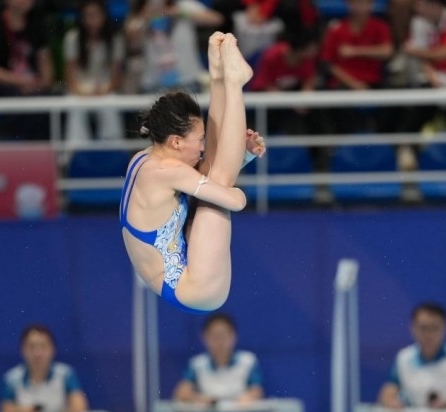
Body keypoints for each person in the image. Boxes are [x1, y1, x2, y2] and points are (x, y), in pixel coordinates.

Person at [120, 33, 265, 313]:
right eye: (199, 140)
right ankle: (233, 84)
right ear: (175, 142)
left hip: (186, 274)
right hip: (194, 289)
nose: (202, 146)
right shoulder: (167, 170)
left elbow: (204, 174)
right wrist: (234, 189)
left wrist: (241, 156)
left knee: (214, 176)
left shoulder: (144, 158)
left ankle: (219, 77)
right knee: (219, 183)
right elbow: (235, 200)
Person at [395, 0, 446, 170]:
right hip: (431, 79)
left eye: (421, 4)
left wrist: (415, 51)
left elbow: (445, 53)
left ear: (435, 5)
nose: (416, 8)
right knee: (419, 107)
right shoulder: (418, 22)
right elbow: (424, 60)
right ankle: (406, 150)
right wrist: (433, 78)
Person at [0, 0, 54, 139]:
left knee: (53, 102)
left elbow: (45, 62)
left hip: (33, 87)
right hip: (2, 89)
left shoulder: (36, 26)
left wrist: (42, 83)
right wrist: (20, 82)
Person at [319, 0, 393, 134]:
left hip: (373, 83)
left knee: (394, 102)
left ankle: (390, 142)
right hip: (343, 85)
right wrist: (354, 84)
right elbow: (328, 64)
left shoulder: (380, 26)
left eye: (365, 3)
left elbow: (387, 51)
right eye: (357, 2)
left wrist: (355, 51)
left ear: (371, 5)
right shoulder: (336, 29)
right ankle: (335, 144)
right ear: (349, 4)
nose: (361, 7)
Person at [124, 0, 224, 93]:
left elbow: (216, 19)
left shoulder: (183, 5)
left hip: (187, 80)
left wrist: (179, 13)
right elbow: (129, 36)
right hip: (153, 82)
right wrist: (144, 17)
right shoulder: (143, 9)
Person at [63, 0, 125, 141]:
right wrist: (80, 92)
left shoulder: (115, 39)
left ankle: (112, 147)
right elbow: (70, 74)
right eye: (88, 16)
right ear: (82, 18)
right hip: (80, 89)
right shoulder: (72, 38)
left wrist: (104, 90)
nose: (92, 20)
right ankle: (74, 150)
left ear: (104, 16)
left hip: (105, 88)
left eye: (95, 15)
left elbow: (116, 75)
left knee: (110, 104)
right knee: (74, 106)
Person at [248, 32, 319, 135]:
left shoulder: (308, 59)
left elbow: (309, 81)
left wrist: (305, 98)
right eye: (312, 49)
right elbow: (263, 84)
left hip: (293, 92)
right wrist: (292, 103)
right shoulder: (271, 56)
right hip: (267, 94)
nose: (315, 52)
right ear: (300, 50)